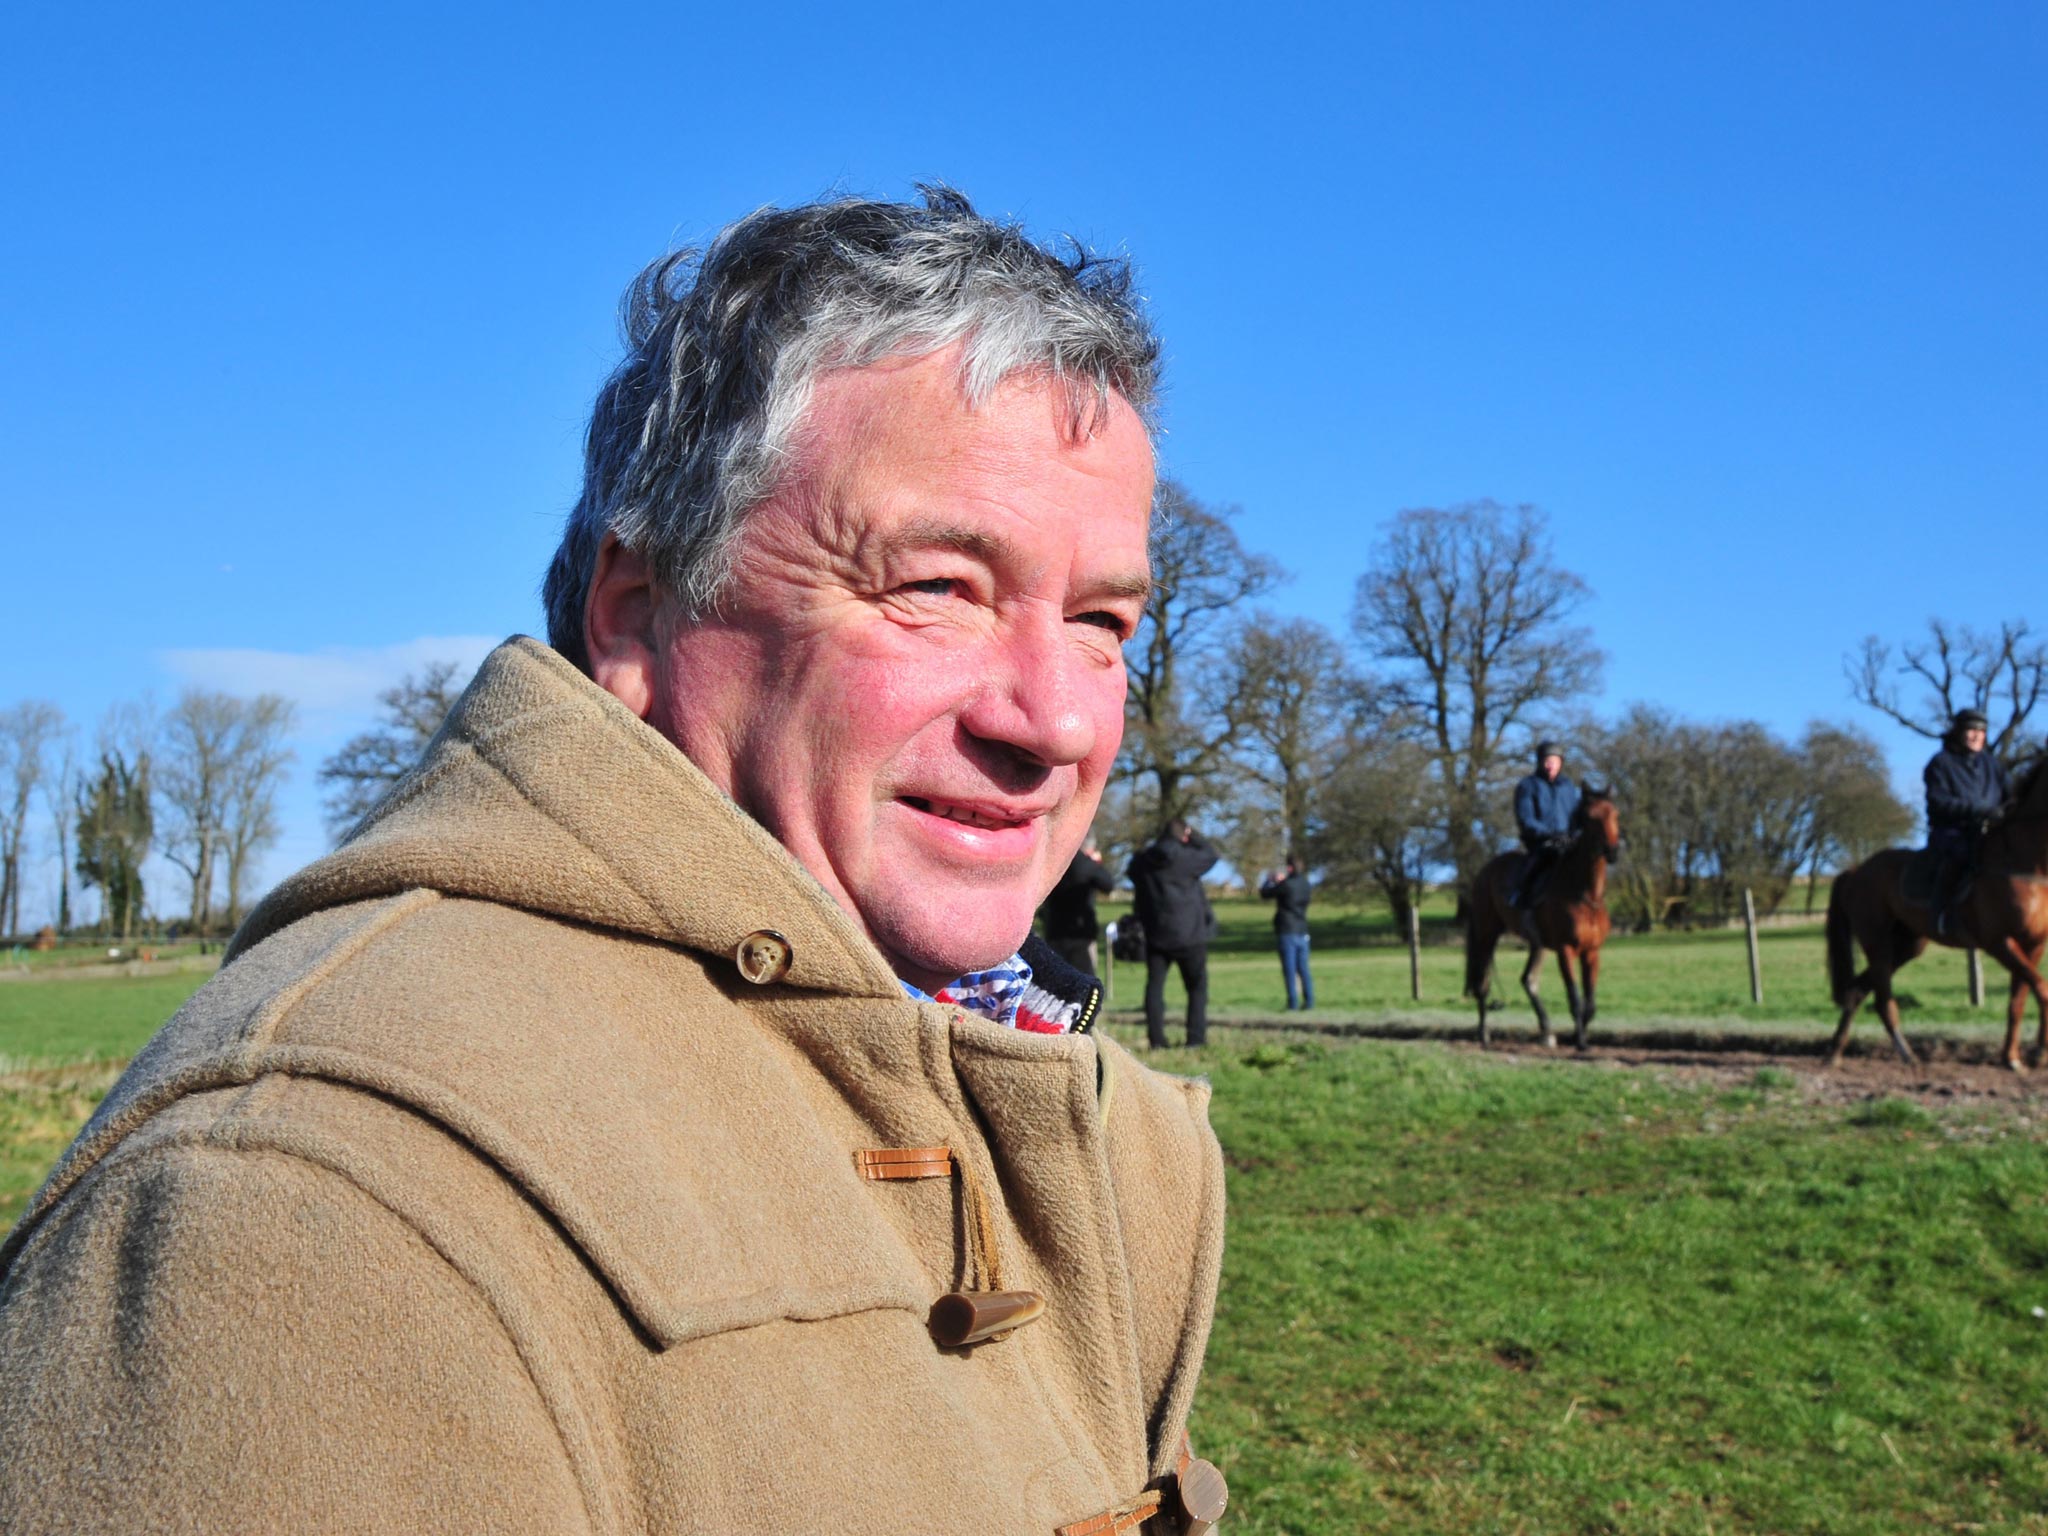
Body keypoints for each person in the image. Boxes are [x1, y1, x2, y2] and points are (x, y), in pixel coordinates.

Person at [0, 191, 1228, 1536]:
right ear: (639, 612)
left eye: (1104, 620)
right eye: (937, 587)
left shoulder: (1043, 1086)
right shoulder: (307, 1204)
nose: (1052, 718)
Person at [1128, 818, 1220, 1048]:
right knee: (1197, 987)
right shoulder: (1187, 858)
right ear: (1184, 835)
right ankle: (1195, 1039)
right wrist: (1194, 836)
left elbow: (1131, 871)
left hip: (1156, 933)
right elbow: (1212, 854)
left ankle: (1157, 1039)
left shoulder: (1144, 860)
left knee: (1155, 986)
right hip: (1190, 933)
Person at [1925, 707, 2010, 937]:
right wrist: (1978, 809)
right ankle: (1942, 915)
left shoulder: (1993, 765)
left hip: (1988, 831)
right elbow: (1937, 801)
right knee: (1960, 856)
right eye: (1970, 730)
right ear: (1959, 732)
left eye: (1981, 731)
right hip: (1952, 831)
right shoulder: (1941, 763)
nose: (1976, 735)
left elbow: (2009, 796)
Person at [1511, 739, 1582, 910]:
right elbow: (1526, 819)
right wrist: (1549, 834)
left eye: (1555, 762)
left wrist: (1576, 834)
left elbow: (1575, 816)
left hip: (1567, 842)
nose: (1551, 766)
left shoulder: (1568, 786)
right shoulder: (1528, 786)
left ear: (1561, 763)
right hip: (1540, 842)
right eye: (1547, 761)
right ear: (1540, 762)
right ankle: (1520, 897)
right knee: (1538, 864)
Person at [1038, 838, 1116, 976]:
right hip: (1079, 932)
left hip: (1054, 927)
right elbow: (1108, 884)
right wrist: (1096, 863)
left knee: (1055, 979)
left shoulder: (1054, 861)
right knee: (1085, 979)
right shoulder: (1086, 864)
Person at [1258, 856, 1314, 1010]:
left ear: (1289, 868)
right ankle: (1309, 1001)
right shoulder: (1306, 884)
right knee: (1303, 968)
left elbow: (1265, 894)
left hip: (1287, 931)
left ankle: (1293, 1003)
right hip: (1303, 930)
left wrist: (1270, 880)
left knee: (1289, 969)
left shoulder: (1286, 885)